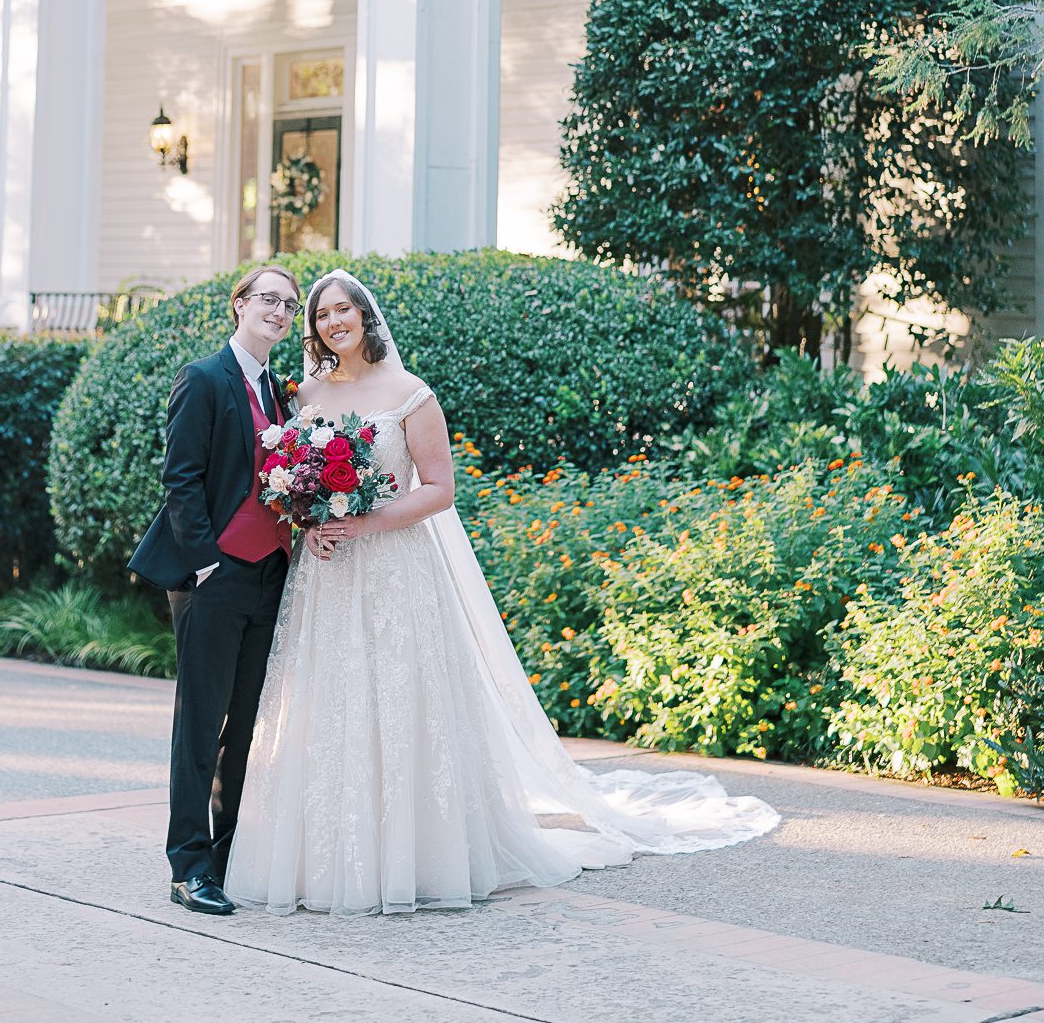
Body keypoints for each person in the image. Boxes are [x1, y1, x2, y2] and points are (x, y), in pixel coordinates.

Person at [224, 269, 780, 916]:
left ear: (366, 318)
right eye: (321, 315)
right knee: (331, 703)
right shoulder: (305, 394)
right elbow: (295, 480)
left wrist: (365, 521)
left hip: (396, 571)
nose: (331, 322)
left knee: (401, 701)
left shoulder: (410, 393)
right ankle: (327, 857)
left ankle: (414, 856)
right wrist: (315, 525)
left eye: (343, 309)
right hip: (330, 575)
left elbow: (438, 489)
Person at [128, 262, 302, 916]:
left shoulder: (282, 394)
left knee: (244, 727)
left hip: (270, 576)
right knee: (201, 726)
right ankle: (188, 866)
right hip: (215, 578)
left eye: (288, 304)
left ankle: (225, 860)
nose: (278, 311)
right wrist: (204, 566)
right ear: (239, 304)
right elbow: (182, 480)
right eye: (267, 298)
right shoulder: (203, 379)